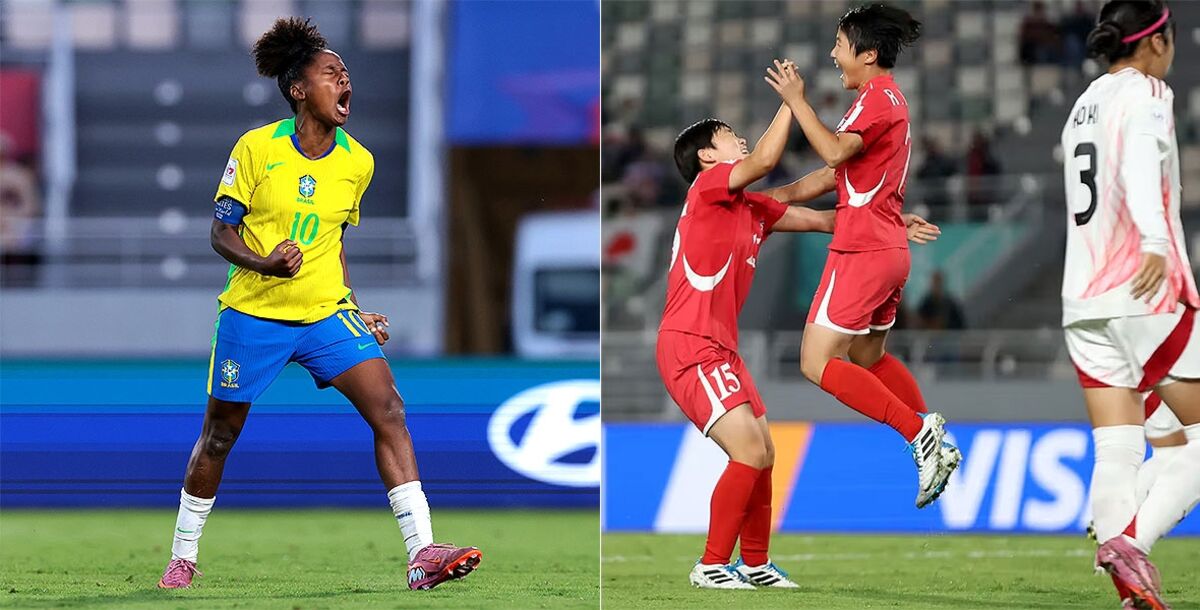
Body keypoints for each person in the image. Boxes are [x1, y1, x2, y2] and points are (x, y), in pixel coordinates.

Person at [157, 17, 480, 592]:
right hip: (253, 314)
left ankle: (422, 554)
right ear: (299, 89)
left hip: (327, 314)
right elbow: (219, 233)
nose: (345, 81)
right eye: (332, 73)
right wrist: (264, 264)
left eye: (347, 74)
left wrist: (354, 307)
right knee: (220, 435)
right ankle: (183, 555)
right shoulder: (257, 148)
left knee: (390, 411)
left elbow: (335, 243)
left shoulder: (359, 162)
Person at [657, 59, 941, 590]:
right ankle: (712, 565)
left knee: (765, 452)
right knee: (750, 451)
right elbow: (766, 159)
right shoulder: (709, 190)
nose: (739, 140)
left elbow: (818, 213)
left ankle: (757, 565)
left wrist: (883, 215)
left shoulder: (747, 207)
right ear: (705, 157)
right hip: (690, 345)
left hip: (719, 349)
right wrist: (793, 101)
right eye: (728, 136)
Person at [778, 4, 961, 510]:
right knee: (867, 357)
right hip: (887, 247)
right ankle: (936, 444)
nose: (835, 54)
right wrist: (779, 196)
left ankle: (919, 434)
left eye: (841, 44)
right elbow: (841, 174)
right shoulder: (887, 101)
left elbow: (834, 155)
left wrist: (796, 101)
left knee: (816, 363)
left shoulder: (877, 98)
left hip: (860, 250)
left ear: (869, 52)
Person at [1061, 2, 1200, 608]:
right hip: (1143, 291)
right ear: (1157, 41)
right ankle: (1131, 541)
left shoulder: (1080, 105)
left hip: (1082, 298)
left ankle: (1128, 594)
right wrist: (1151, 241)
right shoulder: (1149, 94)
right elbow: (1142, 165)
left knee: (1117, 448)